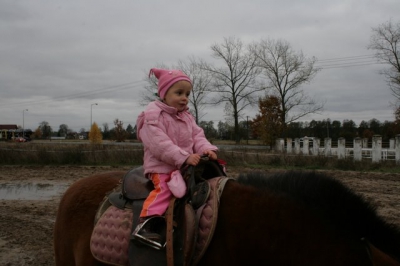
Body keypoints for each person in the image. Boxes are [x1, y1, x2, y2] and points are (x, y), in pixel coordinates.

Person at [133, 68, 218, 247]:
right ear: (164, 94)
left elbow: (197, 136)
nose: (184, 98)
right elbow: (159, 144)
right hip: (161, 167)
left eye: (187, 93)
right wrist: (184, 157)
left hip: (184, 166)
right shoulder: (153, 116)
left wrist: (206, 149)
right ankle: (147, 224)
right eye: (179, 93)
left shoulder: (187, 117)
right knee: (164, 190)